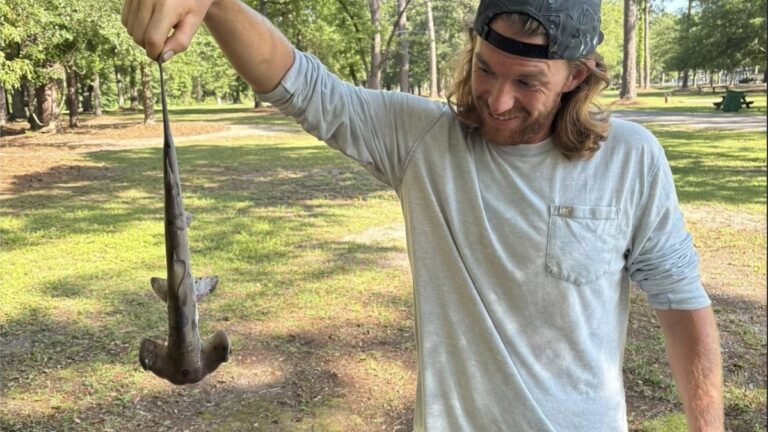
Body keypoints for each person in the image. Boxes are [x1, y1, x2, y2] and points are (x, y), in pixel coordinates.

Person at [123, 0, 725, 430]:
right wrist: (217, 5)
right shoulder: (423, 141)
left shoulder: (632, 159)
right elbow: (300, 85)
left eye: (528, 82)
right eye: (487, 68)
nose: (497, 98)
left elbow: (682, 306)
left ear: (578, 76)